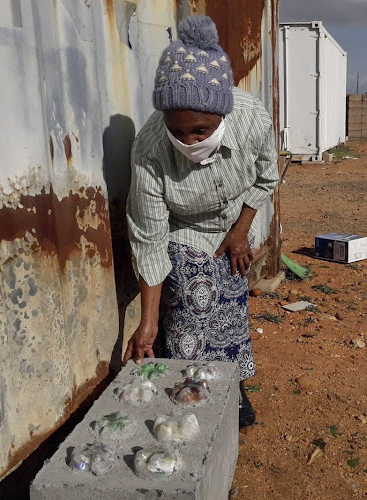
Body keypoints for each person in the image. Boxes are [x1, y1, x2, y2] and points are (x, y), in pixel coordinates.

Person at [123, 15, 279, 428]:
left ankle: (232, 385)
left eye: (201, 130)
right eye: (179, 131)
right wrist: (148, 322)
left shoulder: (250, 118)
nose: (189, 142)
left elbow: (266, 178)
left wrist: (241, 231)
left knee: (231, 300)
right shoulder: (150, 149)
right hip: (183, 230)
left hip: (233, 223)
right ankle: (194, 393)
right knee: (195, 299)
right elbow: (149, 236)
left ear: (222, 116)